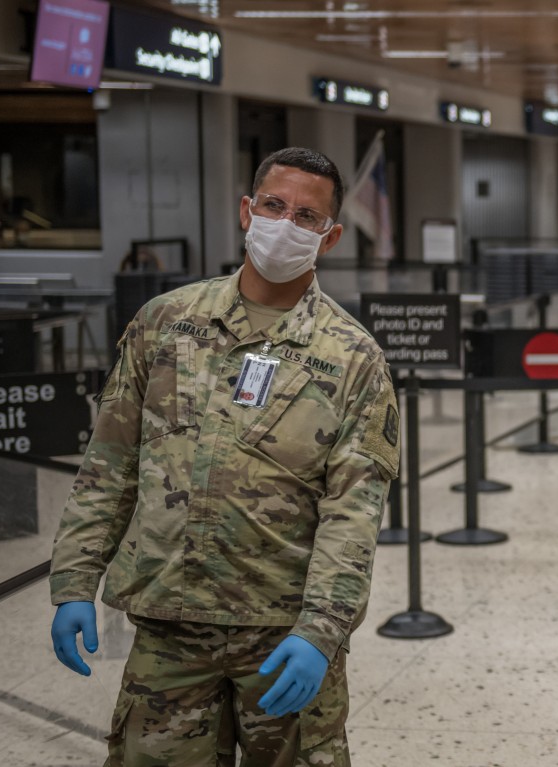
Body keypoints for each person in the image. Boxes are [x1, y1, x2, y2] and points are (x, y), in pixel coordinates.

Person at [48, 147, 400, 766]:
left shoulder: (353, 359)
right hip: (169, 626)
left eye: (307, 216)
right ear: (247, 210)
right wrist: (76, 578)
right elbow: (110, 464)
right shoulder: (166, 323)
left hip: (282, 631)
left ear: (331, 235)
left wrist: (322, 630)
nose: (286, 224)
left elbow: (354, 512)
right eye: (274, 205)